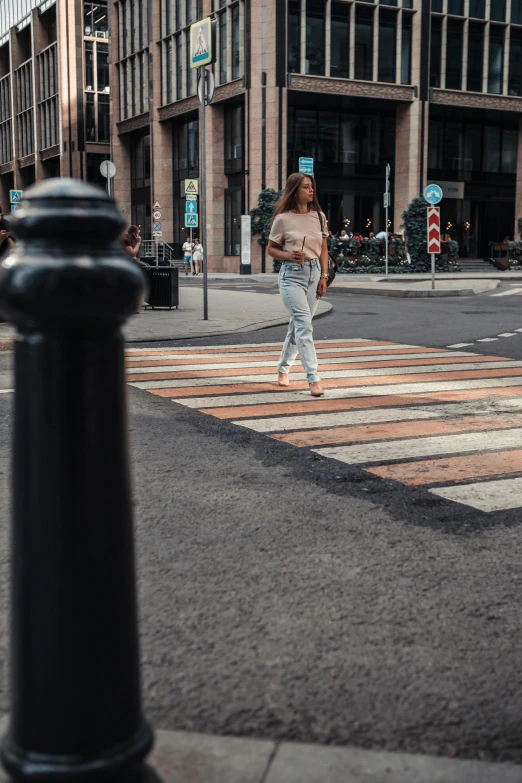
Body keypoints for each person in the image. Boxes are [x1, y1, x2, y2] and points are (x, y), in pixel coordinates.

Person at [267, 172, 329, 398]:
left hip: (314, 276)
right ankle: (314, 378)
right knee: (304, 326)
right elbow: (271, 249)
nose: (311, 190)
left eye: (312, 186)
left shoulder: (319, 217)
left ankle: (283, 368)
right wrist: (289, 255)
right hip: (291, 276)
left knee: (298, 326)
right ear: (295, 190)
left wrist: (324, 276)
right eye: (306, 187)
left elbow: (323, 249)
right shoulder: (282, 219)